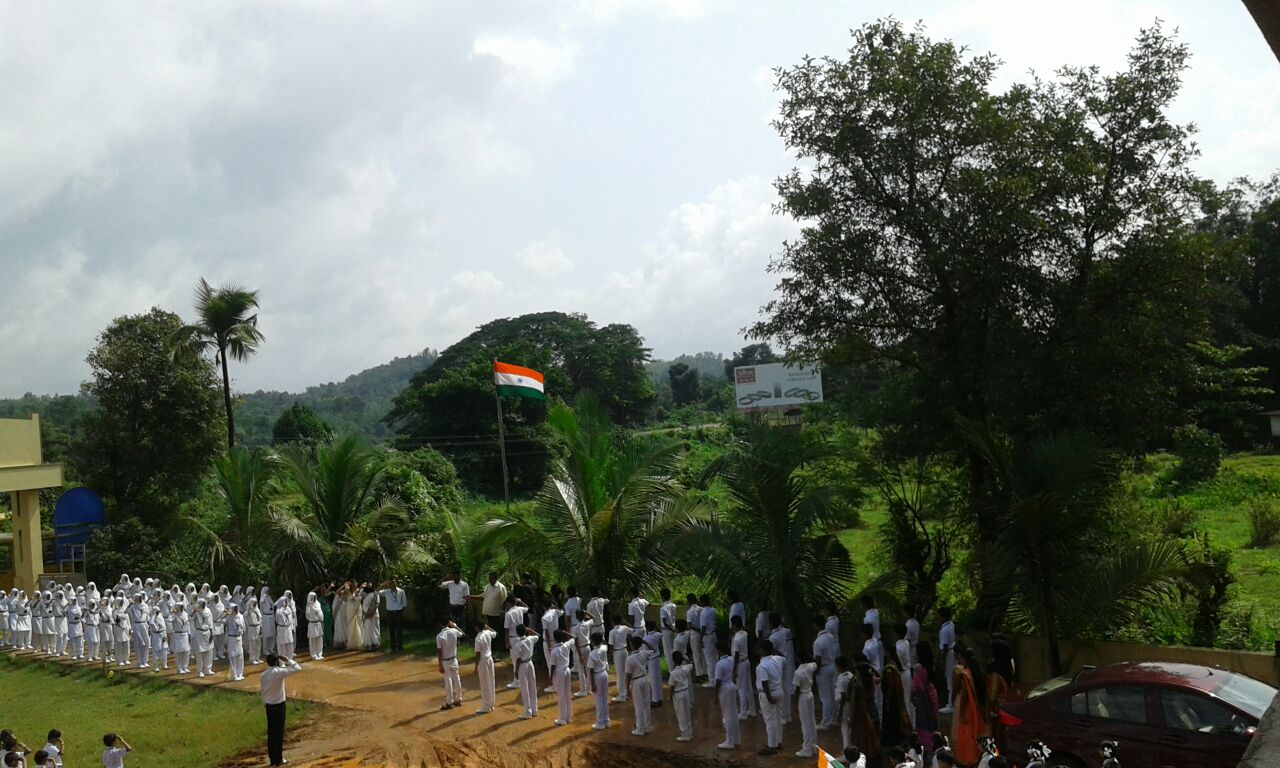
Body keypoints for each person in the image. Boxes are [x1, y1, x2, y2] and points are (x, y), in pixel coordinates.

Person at [260, 653, 303, 767]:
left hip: (269, 706)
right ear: (276, 662)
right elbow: (297, 668)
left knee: (271, 732)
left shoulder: (263, 675)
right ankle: (278, 759)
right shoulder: (278, 672)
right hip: (278, 706)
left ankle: (273, 758)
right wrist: (287, 659)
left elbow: (263, 691)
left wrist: (264, 702)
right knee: (278, 733)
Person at [755, 639, 783, 756]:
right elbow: (783, 656)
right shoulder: (777, 659)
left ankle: (772, 746)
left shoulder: (761, 666)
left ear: (761, 650)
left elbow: (765, 682)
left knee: (769, 720)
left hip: (768, 693)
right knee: (777, 717)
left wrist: (769, 697)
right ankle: (778, 742)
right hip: (778, 690)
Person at [913, 643, 941, 753]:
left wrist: (912, 698)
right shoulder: (931, 666)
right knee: (933, 718)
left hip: (922, 697)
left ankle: (926, 744)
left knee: (923, 721)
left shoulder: (918, 668)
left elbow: (915, 687)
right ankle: (934, 741)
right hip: (932, 693)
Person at [768, 612, 795, 723]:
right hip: (788, 662)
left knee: (782, 688)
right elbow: (791, 632)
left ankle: (784, 715)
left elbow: (772, 650)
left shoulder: (772, 637)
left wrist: (781, 656)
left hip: (779, 664)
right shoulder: (786, 632)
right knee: (787, 688)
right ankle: (787, 715)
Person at [713, 638, 740, 750]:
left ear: (719, 650)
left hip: (724, 688)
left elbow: (718, 681)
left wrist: (715, 695)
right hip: (732, 686)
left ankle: (729, 740)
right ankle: (736, 739)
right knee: (734, 714)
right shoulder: (731, 659)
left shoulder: (720, 664)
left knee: (727, 715)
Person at [436, 617, 467, 710]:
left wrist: (440, 664)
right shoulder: (454, 631)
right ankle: (459, 699)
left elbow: (439, 652)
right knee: (457, 679)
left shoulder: (440, 636)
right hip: (454, 660)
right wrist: (455, 625)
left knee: (448, 680)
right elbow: (463, 634)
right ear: (448, 623)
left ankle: (449, 702)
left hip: (445, 661)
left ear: (440, 624)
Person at [813, 615, 839, 729]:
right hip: (833, 665)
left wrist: (814, 674)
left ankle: (825, 722)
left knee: (825, 696)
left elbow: (817, 661)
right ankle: (833, 719)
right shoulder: (831, 637)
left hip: (823, 668)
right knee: (833, 694)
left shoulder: (818, 642)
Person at [511, 625, 541, 720]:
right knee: (533, 686)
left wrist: (516, 670)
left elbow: (518, 659)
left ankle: (528, 711)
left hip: (523, 665)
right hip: (530, 663)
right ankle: (534, 709)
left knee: (525, 688)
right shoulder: (531, 638)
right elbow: (538, 635)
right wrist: (530, 630)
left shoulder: (517, 644)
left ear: (517, 633)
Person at [730, 615, 757, 719]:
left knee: (741, 688)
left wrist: (734, 670)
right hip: (746, 661)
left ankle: (743, 712)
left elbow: (736, 655)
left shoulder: (736, 639)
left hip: (740, 663)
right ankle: (752, 710)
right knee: (749, 687)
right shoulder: (744, 634)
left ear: (734, 624)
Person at [626, 635, 652, 736]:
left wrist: (627, 688)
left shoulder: (630, 659)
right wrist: (644, 642)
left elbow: (628, 675)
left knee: (638, 706)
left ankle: (640, 729)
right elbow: (653, 650)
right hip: (645, 679)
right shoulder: (644, 653)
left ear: (632, 645)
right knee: (646, 705)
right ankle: (647, 727)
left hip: (636, 681)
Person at [477, 572, 507, 654]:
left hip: (496, 614)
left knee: (496, 631)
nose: (490, 580)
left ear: (495, 578)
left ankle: (499, 648)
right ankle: (491, 647)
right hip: (488, 613)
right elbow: (482, 596)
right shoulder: (488, 586)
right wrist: (471, 596)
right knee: (489, 631)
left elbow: (505, 600)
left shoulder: (501, 587)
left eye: (491, 578)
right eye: (489, 578)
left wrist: (502, 611)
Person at [794, 657, 818, 758]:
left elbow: (797, 689)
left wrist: (795, 703)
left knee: (805, 723)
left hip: (803, 696)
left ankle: (807, 748)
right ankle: (813, 746)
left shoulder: (798, 672)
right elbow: (816, 664)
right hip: (810, 693)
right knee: (812, 721)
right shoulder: (810, 666)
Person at [587, 630, 612, 730]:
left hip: (597, 676)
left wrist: (592, 683)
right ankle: (607, 721)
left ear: (593, 641)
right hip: (604, 674)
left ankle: (600, 723)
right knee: (605, 699)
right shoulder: (604, 648)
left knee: (599, 700)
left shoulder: (592, 654)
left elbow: (591, 670)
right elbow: (605, 644)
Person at [473, 619, 498, 714]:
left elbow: (478, 655)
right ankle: (491, 703)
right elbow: (495, 633)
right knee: (491, 681)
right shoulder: (488, 632)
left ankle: (486, 706)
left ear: (476, 628)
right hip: (490, 659)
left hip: (483, 661)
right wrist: (487, 627)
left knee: (484, 683)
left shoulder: (478, 638)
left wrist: (476, 667)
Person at [669, 649, 694, 742]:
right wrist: (684, 658)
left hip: (678, 694)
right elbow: (692, 663)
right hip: (686, 692)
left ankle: (685, 734)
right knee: (687, 712)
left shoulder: (673, 673)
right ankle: (689, 732)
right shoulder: (686, 668)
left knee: (681, 713)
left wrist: (670, 698)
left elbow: (671, 687)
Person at [550, 628, 574, 725]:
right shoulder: (566, 645)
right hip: (567, 671)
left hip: (560, 672)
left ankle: (562, 718)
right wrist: (565, 633)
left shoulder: (554, 651)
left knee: (561, 695)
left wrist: (550, 677)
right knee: (567, 694)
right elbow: (573, 638)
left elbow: (553, 666)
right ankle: (568, 716)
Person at [895, 623, 916, 726]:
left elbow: (899, 663)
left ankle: (908, 724)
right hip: (908, 671)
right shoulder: (906, 643)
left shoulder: (898, 647)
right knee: (908, 698)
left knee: (905, 699)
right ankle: (913, 721)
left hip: (903, 672)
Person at [608, 615, 632, 703]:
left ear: (613, 622)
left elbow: (611, 646)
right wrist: (625, 622)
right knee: (626, 671)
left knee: (620, 673)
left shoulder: (612, 632)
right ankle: (627, 690)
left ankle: (622, 694)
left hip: (617, 652)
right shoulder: (625, 628)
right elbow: (632, 629)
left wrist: (609, 657)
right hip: (624, 651)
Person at [937, 607, 956, 713]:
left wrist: (941, 661)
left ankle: (950, 703)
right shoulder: (951, 625)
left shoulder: (944, 630)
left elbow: (944, 646)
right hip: (951, 651)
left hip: (948, 653)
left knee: (949, 678)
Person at [379, 580, 406, 653]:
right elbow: (376, 592)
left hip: (398, 612)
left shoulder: (401, 591)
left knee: (399, 630)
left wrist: (400, 610)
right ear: (389, 585)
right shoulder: (386, 592)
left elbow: (404, 602)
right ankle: (393, 648)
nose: (393, 585)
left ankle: (400, 647)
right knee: (391, 630)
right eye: (391, 583)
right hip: (390, 613)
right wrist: (383, 585)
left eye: (394, 583)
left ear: (396, 583)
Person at [698, 594, 718, 688]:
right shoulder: (713, 610)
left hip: (707, 636)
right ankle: (717, 678)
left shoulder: (703, 613)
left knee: (709, 660)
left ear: (702, 602)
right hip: (713, 634)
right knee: (715, 658)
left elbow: (703, 627)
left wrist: (700, 639)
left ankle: (712, 681)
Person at [643, 620, 663, 706]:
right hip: (657, 659)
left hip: (651, 660)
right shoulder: (657, 635)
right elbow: (661, 633)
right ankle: (659, 698)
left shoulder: (645, 639)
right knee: (658, 679)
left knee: (653, 681)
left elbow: (644, 652)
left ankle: (655, 700)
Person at [193, 597, 214, 678]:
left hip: (208, 632)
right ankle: (200, 671)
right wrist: (194, 612)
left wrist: (211, 632)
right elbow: (189, 618)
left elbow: (210, 621)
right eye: (202, 603)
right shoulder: (196, 612)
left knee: (209, 651)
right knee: (200, 652)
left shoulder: (208, 610)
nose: (204, 604)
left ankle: (208, 669)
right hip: (199, 633)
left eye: (204, 603)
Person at [659, 588, 677, 675]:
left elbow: (665, 623)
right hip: (673, 628)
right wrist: (674, 629)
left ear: (662, 597)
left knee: (668, 651)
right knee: (674, 648)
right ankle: (675, 666)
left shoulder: (663, 608)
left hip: (667, 630)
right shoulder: (673, 605)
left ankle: (671, 670)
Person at [685, 594, 704, 681]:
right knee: (702, 653)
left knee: (696, 654)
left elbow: (689, 625)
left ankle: (699, 674)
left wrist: (697, 629)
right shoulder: (701, 609)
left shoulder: (690, 611)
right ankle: (705, 672)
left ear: (689, 601)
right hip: (702, 633)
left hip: (695, 633)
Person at [225, 603, 246, 681]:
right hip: (231, 638)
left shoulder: (241, 616)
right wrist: (225, 614)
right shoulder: (229, 618)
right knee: (233, 656)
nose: (236, 610)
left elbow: (243, 627)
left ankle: (240, 673)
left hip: (239, 638)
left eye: (237, 608)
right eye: (234, 608)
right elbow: (219, 621)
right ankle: (234, 675)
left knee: (240, 656)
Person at [172, 599, 192, 674]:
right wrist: (173, 613)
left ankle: (185, 667)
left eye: (182, 606)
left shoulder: (186, 614)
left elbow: (188, 624)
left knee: (186, 651)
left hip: (185, 634)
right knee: (179, 652)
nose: (181, 608)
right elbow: (170, 620)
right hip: (178, 634)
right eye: (180, 606)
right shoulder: (174, 615)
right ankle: (179, 668)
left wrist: (189, 634)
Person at [305, 592, 325, 660]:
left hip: (318, 623)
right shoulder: (308, 605)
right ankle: (313, 655)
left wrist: (321, 621)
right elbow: (307, 615)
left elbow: (321, 613)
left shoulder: (318, 603)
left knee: (319, 639)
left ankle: (319, 654)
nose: (314, 598)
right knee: (312, 640)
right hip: (312, 624)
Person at [360, 584, 380, 650]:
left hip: (374, 613)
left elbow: (377, 603)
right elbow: (361, 601)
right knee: (367, 628)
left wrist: (372, 612)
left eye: (370, 584)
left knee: (374, 628)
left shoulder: (375, 593)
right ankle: (368, 644)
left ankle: (375, 644)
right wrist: (365, 612)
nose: (369, 585)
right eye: (368, 584)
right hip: (366, 613)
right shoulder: (363, 593)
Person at [244, 592, 263, 664]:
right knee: (252, 644)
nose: (255, 604)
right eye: (253, 603)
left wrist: (260, 628)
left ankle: (257, 657)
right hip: (251, 628)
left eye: (255, 602)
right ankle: (252, 658)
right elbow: (246, 622)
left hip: (258, 627)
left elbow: (260, 620)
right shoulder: (247, 612)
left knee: (258, 643)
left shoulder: (257, 610)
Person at [331, 583, 348, 649]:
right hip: (336, 608)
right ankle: (339, 642)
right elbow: (338, 591)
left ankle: (343, 641)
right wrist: (344, 585)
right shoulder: (337, 593)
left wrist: (346, 587)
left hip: (341, 609)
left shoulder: (343, 593)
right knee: (338, 624)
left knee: (342, 624)